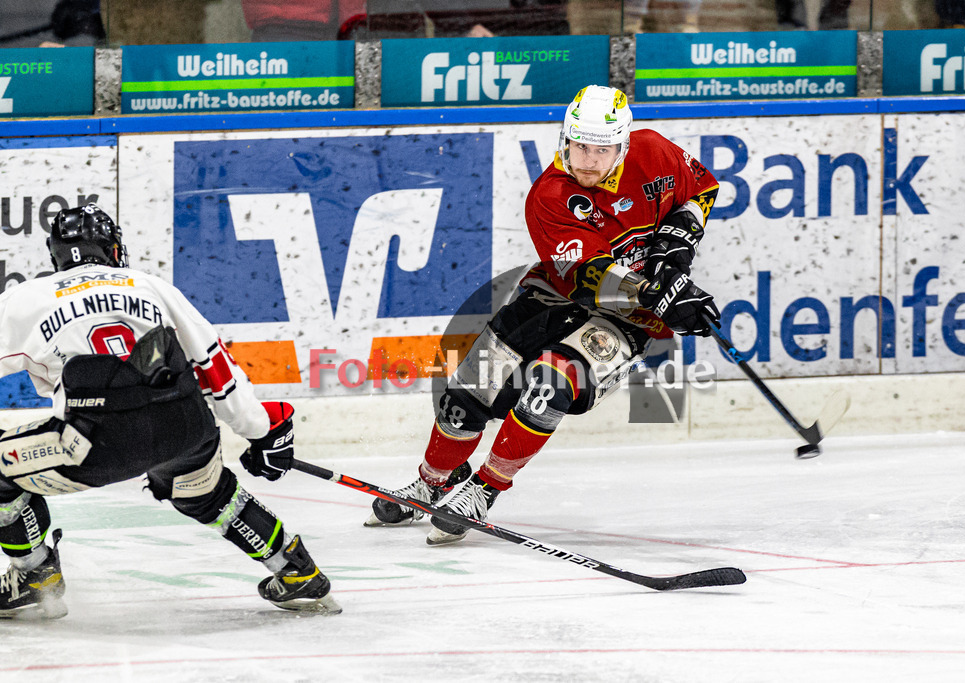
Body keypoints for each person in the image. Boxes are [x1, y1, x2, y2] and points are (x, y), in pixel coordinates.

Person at [359, 85, 721, 544]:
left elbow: (701, 189)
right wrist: (660, 293)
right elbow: (590, 277)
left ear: (624, 146)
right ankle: (431, 484)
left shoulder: (654, 151)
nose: (588, 161)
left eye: (602, 150)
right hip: (556, 296)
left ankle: (484, 491)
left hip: (627, 320)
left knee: (552, 384)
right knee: (467, 393)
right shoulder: (549, 195)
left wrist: (674, 249)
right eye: (580, 146)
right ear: (565, 138)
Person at [0, 204, 339, 619]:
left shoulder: (25, 298)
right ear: (112, 248)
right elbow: (215, 368)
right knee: (205, 492)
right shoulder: (150, 285)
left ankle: (35, 577)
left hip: (99, 444)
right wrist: (260, 430)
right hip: (185, 426)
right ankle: (296, 571)